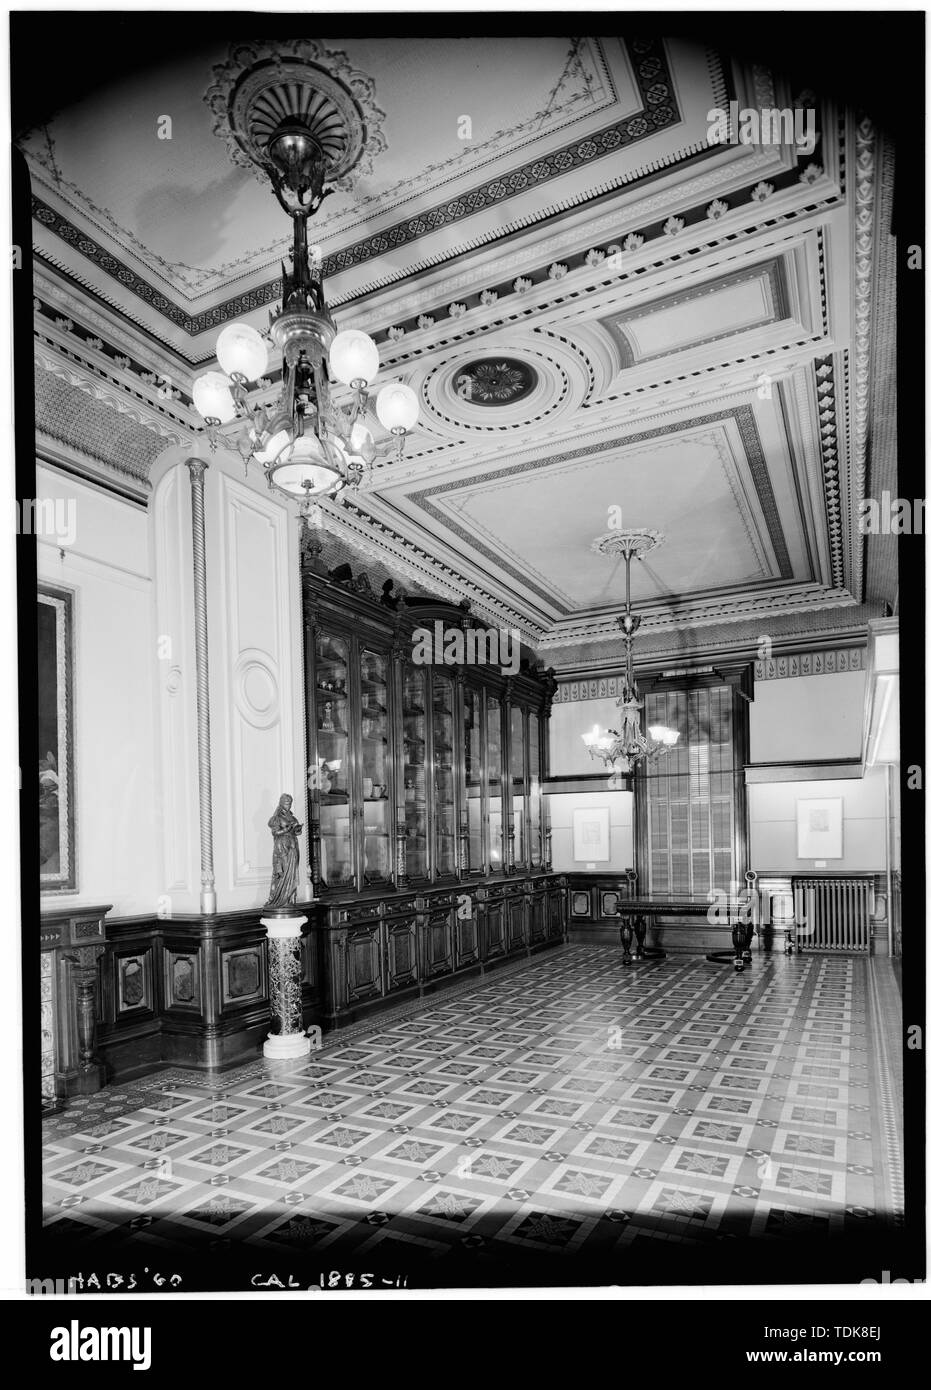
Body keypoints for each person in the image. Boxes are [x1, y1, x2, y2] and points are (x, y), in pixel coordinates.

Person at [265, 793, 302, 908]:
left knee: (293, 873)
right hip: (282, 847)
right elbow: (275, 833)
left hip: (293, 846)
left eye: (290, 803)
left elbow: (296, 832)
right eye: (286, 803)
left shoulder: (292, 817)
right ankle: (279, 900)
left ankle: (290, 900)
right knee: (282, 873)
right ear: (281, 803)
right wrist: (286, 829)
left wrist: (297, 830)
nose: (289, 805)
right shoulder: (276, 818)